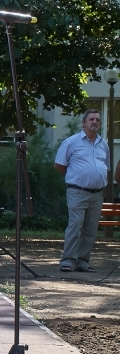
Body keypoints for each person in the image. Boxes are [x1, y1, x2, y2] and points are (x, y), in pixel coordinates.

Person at [54, 109, 108, 272]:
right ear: (83, 123)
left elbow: (105, 167)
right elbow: (59, 165)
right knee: (76, 225)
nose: (95, 122)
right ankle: (68, 261)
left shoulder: (103, 144)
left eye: (97, 120)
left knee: (91, 228)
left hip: (97, 193)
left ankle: (83, 262)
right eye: (91, 119)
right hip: (77, 192)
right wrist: (76, 177)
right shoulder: (72, 142)